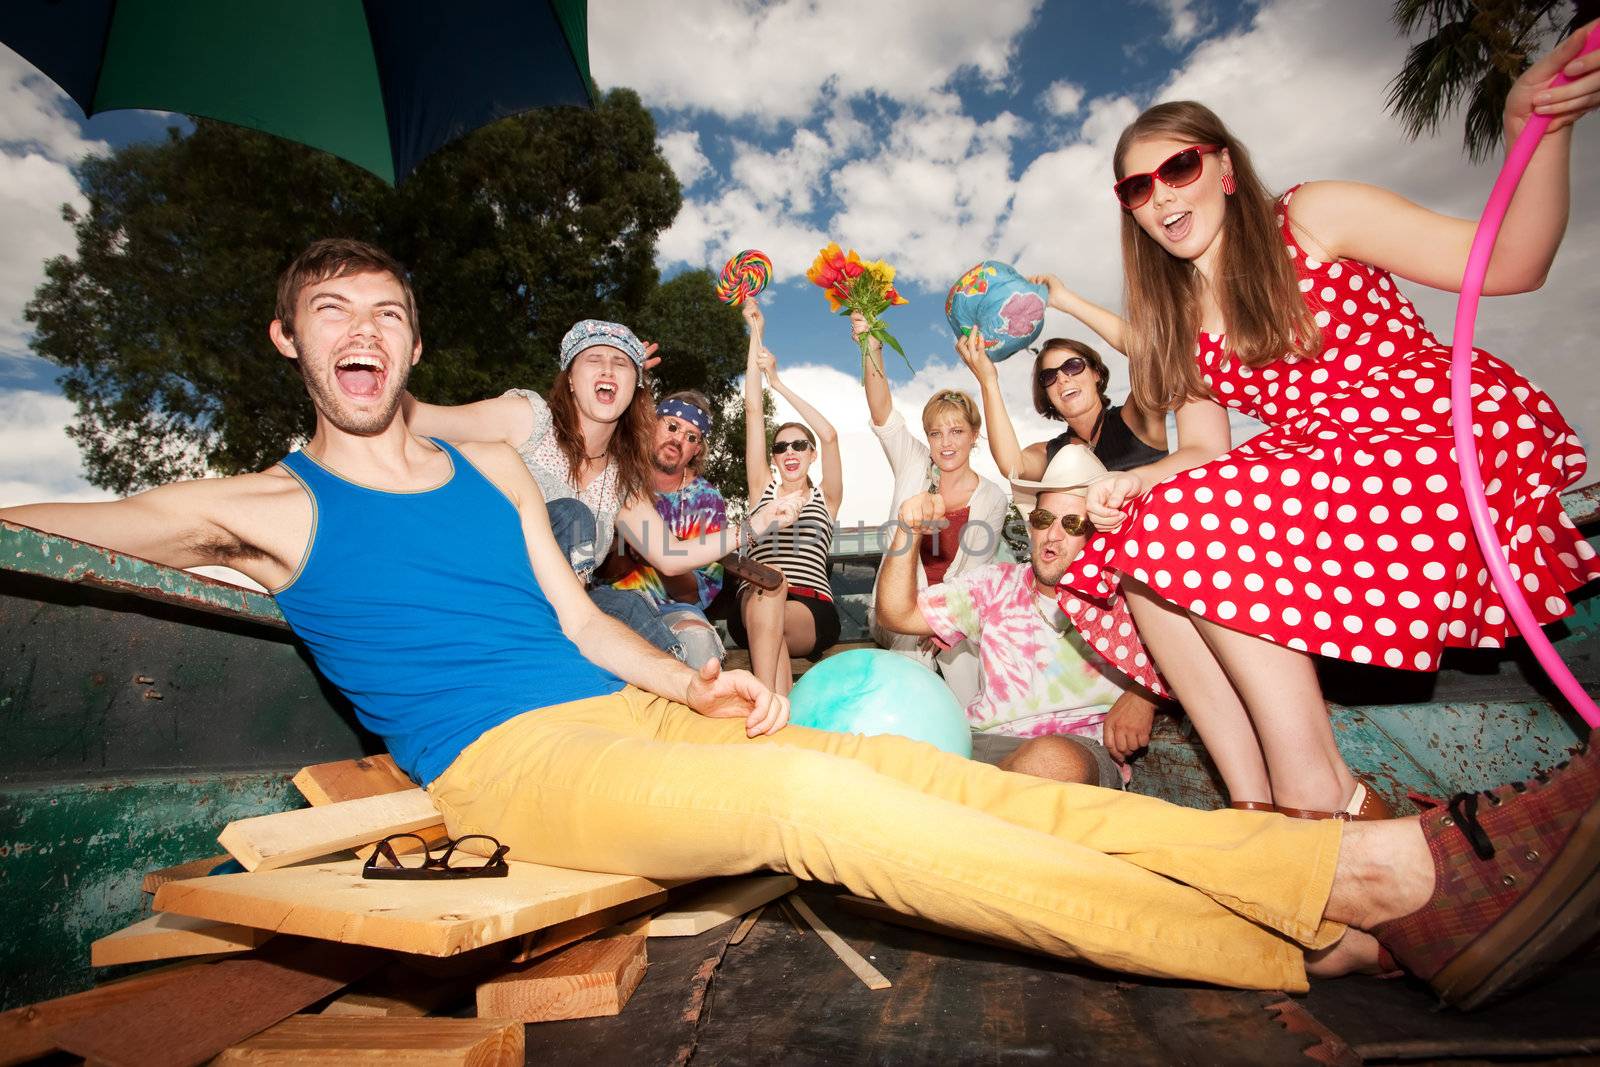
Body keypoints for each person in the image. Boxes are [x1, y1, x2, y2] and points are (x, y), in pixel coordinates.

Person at [6, 237, 1600, 1011]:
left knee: (923, 778)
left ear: (414, 339)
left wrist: (690, 686)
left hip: (622, 714)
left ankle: (1316, 902)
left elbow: (586, 616)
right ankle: (1342, 896)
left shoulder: (489, 478)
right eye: (332, 316)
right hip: (501, 765)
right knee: (817, 799)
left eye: (389, 313)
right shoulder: (267, 502)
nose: (364, 335)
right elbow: (60, 525)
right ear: (290, 338)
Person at [1044, 24, 1600, 821]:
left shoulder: (1311, 216)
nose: (1161, 195)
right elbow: (1203, 450)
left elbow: (1512, 261)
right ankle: (1255, 804)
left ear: (1224, 168)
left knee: (1190, 520)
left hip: (1430, 428)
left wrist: (1529, 133)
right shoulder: (1176, 320)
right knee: (1140, 542)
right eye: (1137, 187)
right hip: (1320, 461)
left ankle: (1324, 794)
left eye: (1178, 167)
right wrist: (1131, 480)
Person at [402, 320, 793, 660]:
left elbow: (673, 556)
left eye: (620, 363)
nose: (608, 367)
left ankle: (676, 704)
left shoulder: (623, 479)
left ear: (635, 389)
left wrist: (753, 526)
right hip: (495, 592)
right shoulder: (528, 419)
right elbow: (420, 418)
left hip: (574, 610)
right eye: (594, 359)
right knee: (573, 517)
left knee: (632, 609)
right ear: (570, 379)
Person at [874, 444, 1167, 783]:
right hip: (979, 745)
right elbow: (897, 615)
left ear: (1096, 534)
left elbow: (1197, 653)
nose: (1053, 535)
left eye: (1072, 524)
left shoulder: (1126, 596)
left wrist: (1144, 695)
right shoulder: (994, 584)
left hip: (1075, 749)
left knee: (1050, 761)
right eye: (1044, 519)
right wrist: (907, 531)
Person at [854, 314, 1008, 707]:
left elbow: (973, 577)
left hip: (956, 610)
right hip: (897, 610)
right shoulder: (913, 464)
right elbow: (882, 414)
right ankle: (910, 728)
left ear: (975, 436)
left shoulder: (991, 498)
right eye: (936, 433)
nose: (946, 443)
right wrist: (871, 346)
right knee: (911, 656)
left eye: (957, 431)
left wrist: (944, 621)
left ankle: (972, 734)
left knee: (965, 660)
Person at [729, 299, 844, 695]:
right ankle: (778, 713)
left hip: (808, 609)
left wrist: (777, 382)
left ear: (811, 454)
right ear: (774, 458)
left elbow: (829, 434)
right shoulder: (762, 488)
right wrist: (754, 332)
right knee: (765, 599)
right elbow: (752, 411)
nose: (790, 452)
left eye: (799, 445)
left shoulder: (825, 498)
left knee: (773, 622)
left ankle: (770, 711)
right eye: (781, 448)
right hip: (754, 600)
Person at [596, 389, 730, 670]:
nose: (678, 439)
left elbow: (693, 594)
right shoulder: (615, 473)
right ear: (651, 425)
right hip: (609, 602)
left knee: (699, 642)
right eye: (672, 426)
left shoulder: (707, 502)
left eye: (691, 437)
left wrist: (654, 556)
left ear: (697, 450)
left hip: (673, 609)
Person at [959, 333, 1167, 478]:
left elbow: (1152, 359)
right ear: (1047, 395)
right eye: (1049, 376)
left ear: (1097, 374)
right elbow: (1014, 467)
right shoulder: (1053, 453)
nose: (1062, 379)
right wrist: (988, 381)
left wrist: (1065, 301)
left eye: (1073, 366)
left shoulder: (1134, 420)